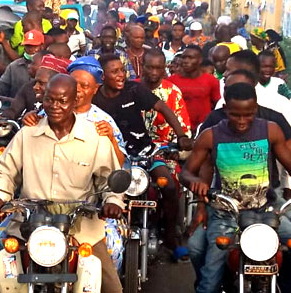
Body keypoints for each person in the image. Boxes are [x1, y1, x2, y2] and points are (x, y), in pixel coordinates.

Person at [183, 82, 291, 293]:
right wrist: (193, 181)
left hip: (268, 210)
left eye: (249, 114)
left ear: (255, 108)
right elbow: (186, 172)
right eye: (236, 115)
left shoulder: (271, 130)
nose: (242, 121)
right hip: (226, 213)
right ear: (226, 109)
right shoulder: (210, 135)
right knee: (209, 282)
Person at [0, 74, 125, 293]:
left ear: (74, 101)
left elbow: (110, 179)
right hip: (29, 224)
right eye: (50, 100)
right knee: (4, 282)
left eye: (62, 101)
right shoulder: (26, 135)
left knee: (111, 287)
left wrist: (113, 201)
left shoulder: (95, 138)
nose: (55, 106)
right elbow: (5, 172)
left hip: (82, 226)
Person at [93, 53, 193, 256]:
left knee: (169, 184)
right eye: (114, 72)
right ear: (102, 76)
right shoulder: (95, 98)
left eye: (122, 70)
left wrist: (181, 136)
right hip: (112, 155)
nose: (121, 75)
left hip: (145, 152)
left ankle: (171, 236)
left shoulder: (133, 89)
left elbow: (163, 107)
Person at [141, 49, 191, 148]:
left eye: (158, 68)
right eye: (150, 68)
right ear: (143, 66)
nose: (154, 72)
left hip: (165, 147)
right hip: (135, 147)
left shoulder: (173, 92)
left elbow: (184, 129)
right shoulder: (132, 88)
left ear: (164, 68)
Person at [0, 30, 44, 100]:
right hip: (16, 106)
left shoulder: (47, 67)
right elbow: (2, 84)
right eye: (28, 46)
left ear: (41, 47)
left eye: (34, 46)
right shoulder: (14, 66)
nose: (30, 49)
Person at [167, 45, 220, 130]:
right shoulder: (171, 81)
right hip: (178, 129)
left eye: (191, 58)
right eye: (184, 58)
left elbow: (218, 105)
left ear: (200, 60)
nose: (186, 61)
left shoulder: (211, 80)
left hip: (204, 128)